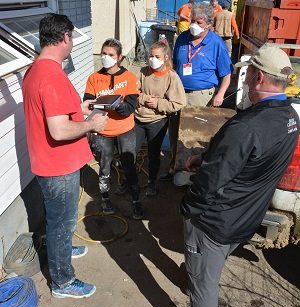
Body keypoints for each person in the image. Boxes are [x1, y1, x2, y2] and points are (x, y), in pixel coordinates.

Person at [180, 45, 299, 307]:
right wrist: (206, 158)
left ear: (258, 77)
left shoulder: (247, 126)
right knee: (209, 269)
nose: (242, 79)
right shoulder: (290, 117)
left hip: (215, 224)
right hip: (247, 217)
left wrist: (189, 209)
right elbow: (248, 159)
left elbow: (210, 181)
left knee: (203, 288)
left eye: (247, 74)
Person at [22, 13, 108, 298]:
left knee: (57, 218)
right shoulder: (52, 76)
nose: (72, 43)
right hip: (59, 167)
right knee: (63, 222)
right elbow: (58, 130)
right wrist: (92, 123)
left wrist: (81, 106)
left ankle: (62, 249)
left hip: (47, 163)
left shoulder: (37, 69)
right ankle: (62, 282)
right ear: (63, 38)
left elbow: (55, 109)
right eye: (71, 37)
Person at [161, 2, 232, 181]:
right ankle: (174, 168)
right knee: (175, 131)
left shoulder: (216, 44)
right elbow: (175, 66)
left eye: (199, 22)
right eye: (193, 20)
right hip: (178, 93)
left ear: (209, 24)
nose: (194, 25)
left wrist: (220, 94)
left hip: (201, 96)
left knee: (194, 135)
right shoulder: (183, 38)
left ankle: (191, 172)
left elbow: (226, 74)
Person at [83, 38, 143, 219]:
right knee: (104, 167)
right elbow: (89, 105)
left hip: (125, 130)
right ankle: (105, 198)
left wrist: (116, 104)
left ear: (119, 57)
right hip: (103, 131)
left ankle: (135, 200)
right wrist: (101, 106)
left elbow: (129, 108)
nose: (106, 57)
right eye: (103, 53)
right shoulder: (94, 78)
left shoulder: (129, 78)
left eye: (110, 55)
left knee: (129, 166)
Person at [134, 41, 186, 196]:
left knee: (153, 153)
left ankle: (152, 182)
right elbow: (132, 92)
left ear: (166, 57)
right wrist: (143, 98)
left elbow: (179, 102)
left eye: (157, 56)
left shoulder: (172, 77)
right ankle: (128, 181)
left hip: (157, 121)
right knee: (131, 151)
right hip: (138, 119)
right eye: (151, 56)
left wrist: (159, 103)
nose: (152, 59)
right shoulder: (142, 72)